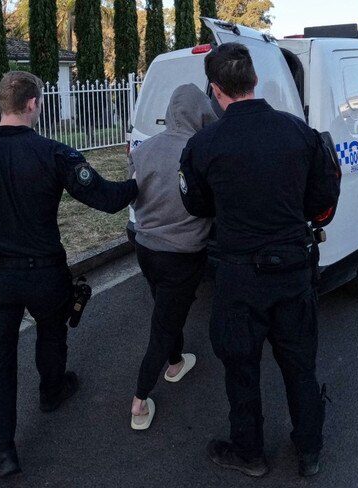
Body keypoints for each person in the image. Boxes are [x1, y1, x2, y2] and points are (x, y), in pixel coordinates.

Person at [0, 71, 138, 478]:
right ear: (33, 104)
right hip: (45, 274)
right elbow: (107, 199)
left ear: (1, 105)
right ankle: (52, 391)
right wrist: (139, 183)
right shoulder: (54, 153)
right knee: (52, 331)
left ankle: (1, 453)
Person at [178, 43, 340, 478]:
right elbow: (324, 198)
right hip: (292, 270)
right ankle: (310, 451)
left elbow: (196, 205)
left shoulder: (202, 144)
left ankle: (249, 453)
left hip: (238, 278)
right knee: (299, 366)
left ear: (215, 90)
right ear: (254, 82)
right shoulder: (299, 133)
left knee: (241, 369)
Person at [127, 84, 217, 430]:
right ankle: (139, 400)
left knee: (167, 310)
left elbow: (135, 197)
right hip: (183, 255)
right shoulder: (200, 152)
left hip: (146, 249)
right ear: (200, 111)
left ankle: (177, 362)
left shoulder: (144, 148)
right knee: (162, 326)